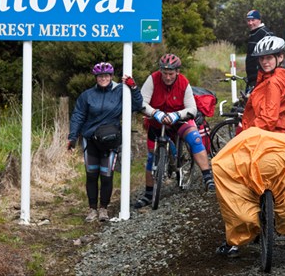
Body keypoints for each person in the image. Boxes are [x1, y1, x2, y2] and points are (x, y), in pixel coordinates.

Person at [215, 36, 285, 257]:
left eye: (269, 57)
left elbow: (268, 119)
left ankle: (235, 239)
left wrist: (250, 132)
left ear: (280, 57)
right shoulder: (281, 77)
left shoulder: (272, 82)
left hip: (264, 136)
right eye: (262, 58)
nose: (265, 62)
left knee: (227, 168)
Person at [134, 54, 215, 209]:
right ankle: (149, 194)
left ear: (177, 71)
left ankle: (207, 177)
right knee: (151, 155)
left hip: (179, 118)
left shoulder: (184, 82)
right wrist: (154, 113)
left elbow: (192, 108)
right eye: (165, 73)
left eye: (171, 73)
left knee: (195, 139)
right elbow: (141, 102)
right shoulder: (152, 79)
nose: (168, 77)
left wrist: (177, 115)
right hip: (156, 120)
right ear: (160, 71)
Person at [67, 62, 143, 222]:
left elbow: (137, 105)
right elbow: (78, 116)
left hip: (111, 141)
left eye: (106, 76)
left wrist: (134, 88)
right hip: (91, 140)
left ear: (111, 76)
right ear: (96, 77)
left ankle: (103, 209)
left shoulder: (120, 91)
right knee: (91, 175)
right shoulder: (87, 95)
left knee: (107, 175)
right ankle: (92, 209)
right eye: (100, 76)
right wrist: (72, 137)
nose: (103, 78)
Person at [245, 9, 273, 89]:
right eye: (248, 20)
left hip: (261, 78)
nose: (250, 23)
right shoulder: (253, 33)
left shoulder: (266, 33)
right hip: (251, 78)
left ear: (259, 20)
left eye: (253, 20)